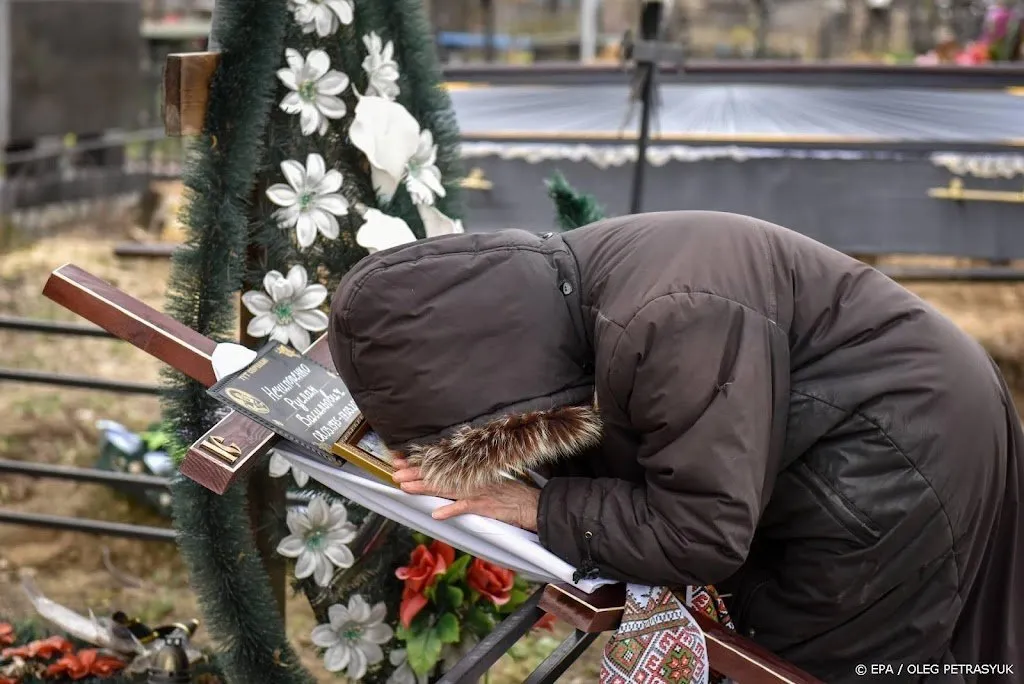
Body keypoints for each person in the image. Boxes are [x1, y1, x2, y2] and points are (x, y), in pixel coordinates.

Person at [327, 211, 1022, 682]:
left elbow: (702, 531)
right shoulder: (569, 290)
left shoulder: (668, 317)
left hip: (890, 464)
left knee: (826, 665)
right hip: (875, 433)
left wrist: (533, 508)